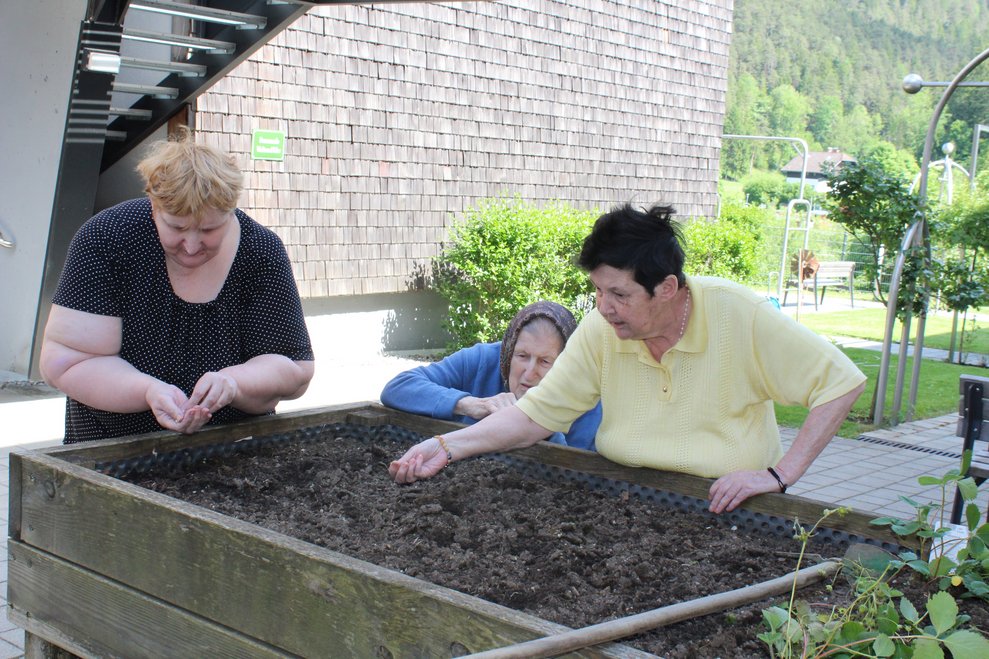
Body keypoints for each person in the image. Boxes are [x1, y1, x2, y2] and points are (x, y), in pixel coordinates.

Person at [389, 203, 867, 514]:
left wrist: (781, 475)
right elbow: (535, 416)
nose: (603, 307)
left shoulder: (739, 315)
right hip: (621, 499)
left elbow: (841, 382)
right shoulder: (602, 330)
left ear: (668, 289)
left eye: (618, 293)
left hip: (726, 508)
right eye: (597, 290)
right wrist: (449, 446)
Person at [40, 127, 315, 443]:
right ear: (154, 207)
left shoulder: (260, 251)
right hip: (111, 454)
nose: (192, 245)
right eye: (177, 227)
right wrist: (148, 391)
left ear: (231, 211)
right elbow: (64, 362)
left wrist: (233, 382)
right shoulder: (107, 239)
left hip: (234, 453)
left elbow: (295, 370)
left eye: (209, 229)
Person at [380, 301, 601, 450]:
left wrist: (541, 426)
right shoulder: (481, 360)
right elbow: (399, 387)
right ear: (509, 350)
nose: (530, 371)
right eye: (522, 356)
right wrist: (469, 404)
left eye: (545, 362)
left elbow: (582, 475)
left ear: (565, 363)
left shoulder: (585, 395)